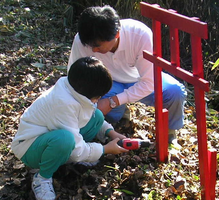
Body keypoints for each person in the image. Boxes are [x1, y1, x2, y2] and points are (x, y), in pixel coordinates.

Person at [11, 57, 128, 200]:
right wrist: (104, 150)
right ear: (87, 94)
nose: (98, 100)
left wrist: (111, 133)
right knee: (65, 140)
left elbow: (91, 115)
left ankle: (68, 158)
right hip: (30, 149)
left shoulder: (75, 90)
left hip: (50, 138)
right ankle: (42, 177)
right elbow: (73, 145)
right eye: (97, 97)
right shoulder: (63, 104)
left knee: (96, 115)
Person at [67, 5, 187, 143]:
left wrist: (113, 101)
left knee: (175, 92)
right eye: (90, 45)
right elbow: (76, 77)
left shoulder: (139, 34)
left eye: (98, 45)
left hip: (138, 78)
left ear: (117, 34)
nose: (93, 49)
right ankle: (120, 116)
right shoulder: (82, 40)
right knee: (98, 106)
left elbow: (150, 82)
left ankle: (170, 132)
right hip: (108, 82)